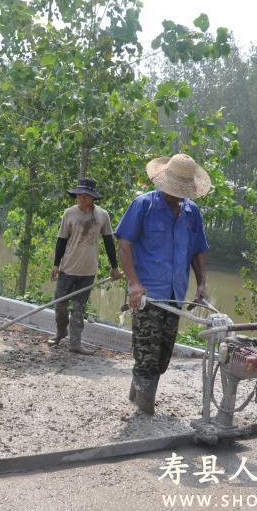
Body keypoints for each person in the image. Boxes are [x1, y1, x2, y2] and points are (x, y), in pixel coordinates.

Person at [115, 154, 211, 414]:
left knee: (162, 356)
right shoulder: (143, 205)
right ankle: (145, 414)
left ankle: (137, 395)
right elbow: (124, 245)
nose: (178, 195)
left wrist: (202, 284)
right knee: (146, 355)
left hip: (174, 294)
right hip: (148, 295)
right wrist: (134, 284)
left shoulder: (192, 213)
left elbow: (198, 250)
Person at [49, 178, 123, 355]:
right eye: (79, 195)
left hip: (88, 271)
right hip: (67, 268)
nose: (81, 198)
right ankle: (60, 332)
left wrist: (114, 267)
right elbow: (61, 240)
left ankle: (75, 343)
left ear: (92, 198)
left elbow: (108, 242)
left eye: (85, 195)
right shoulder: (69, 213)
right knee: (60, 305)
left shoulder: (102, 215)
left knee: (79, 308)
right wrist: (55, 264)